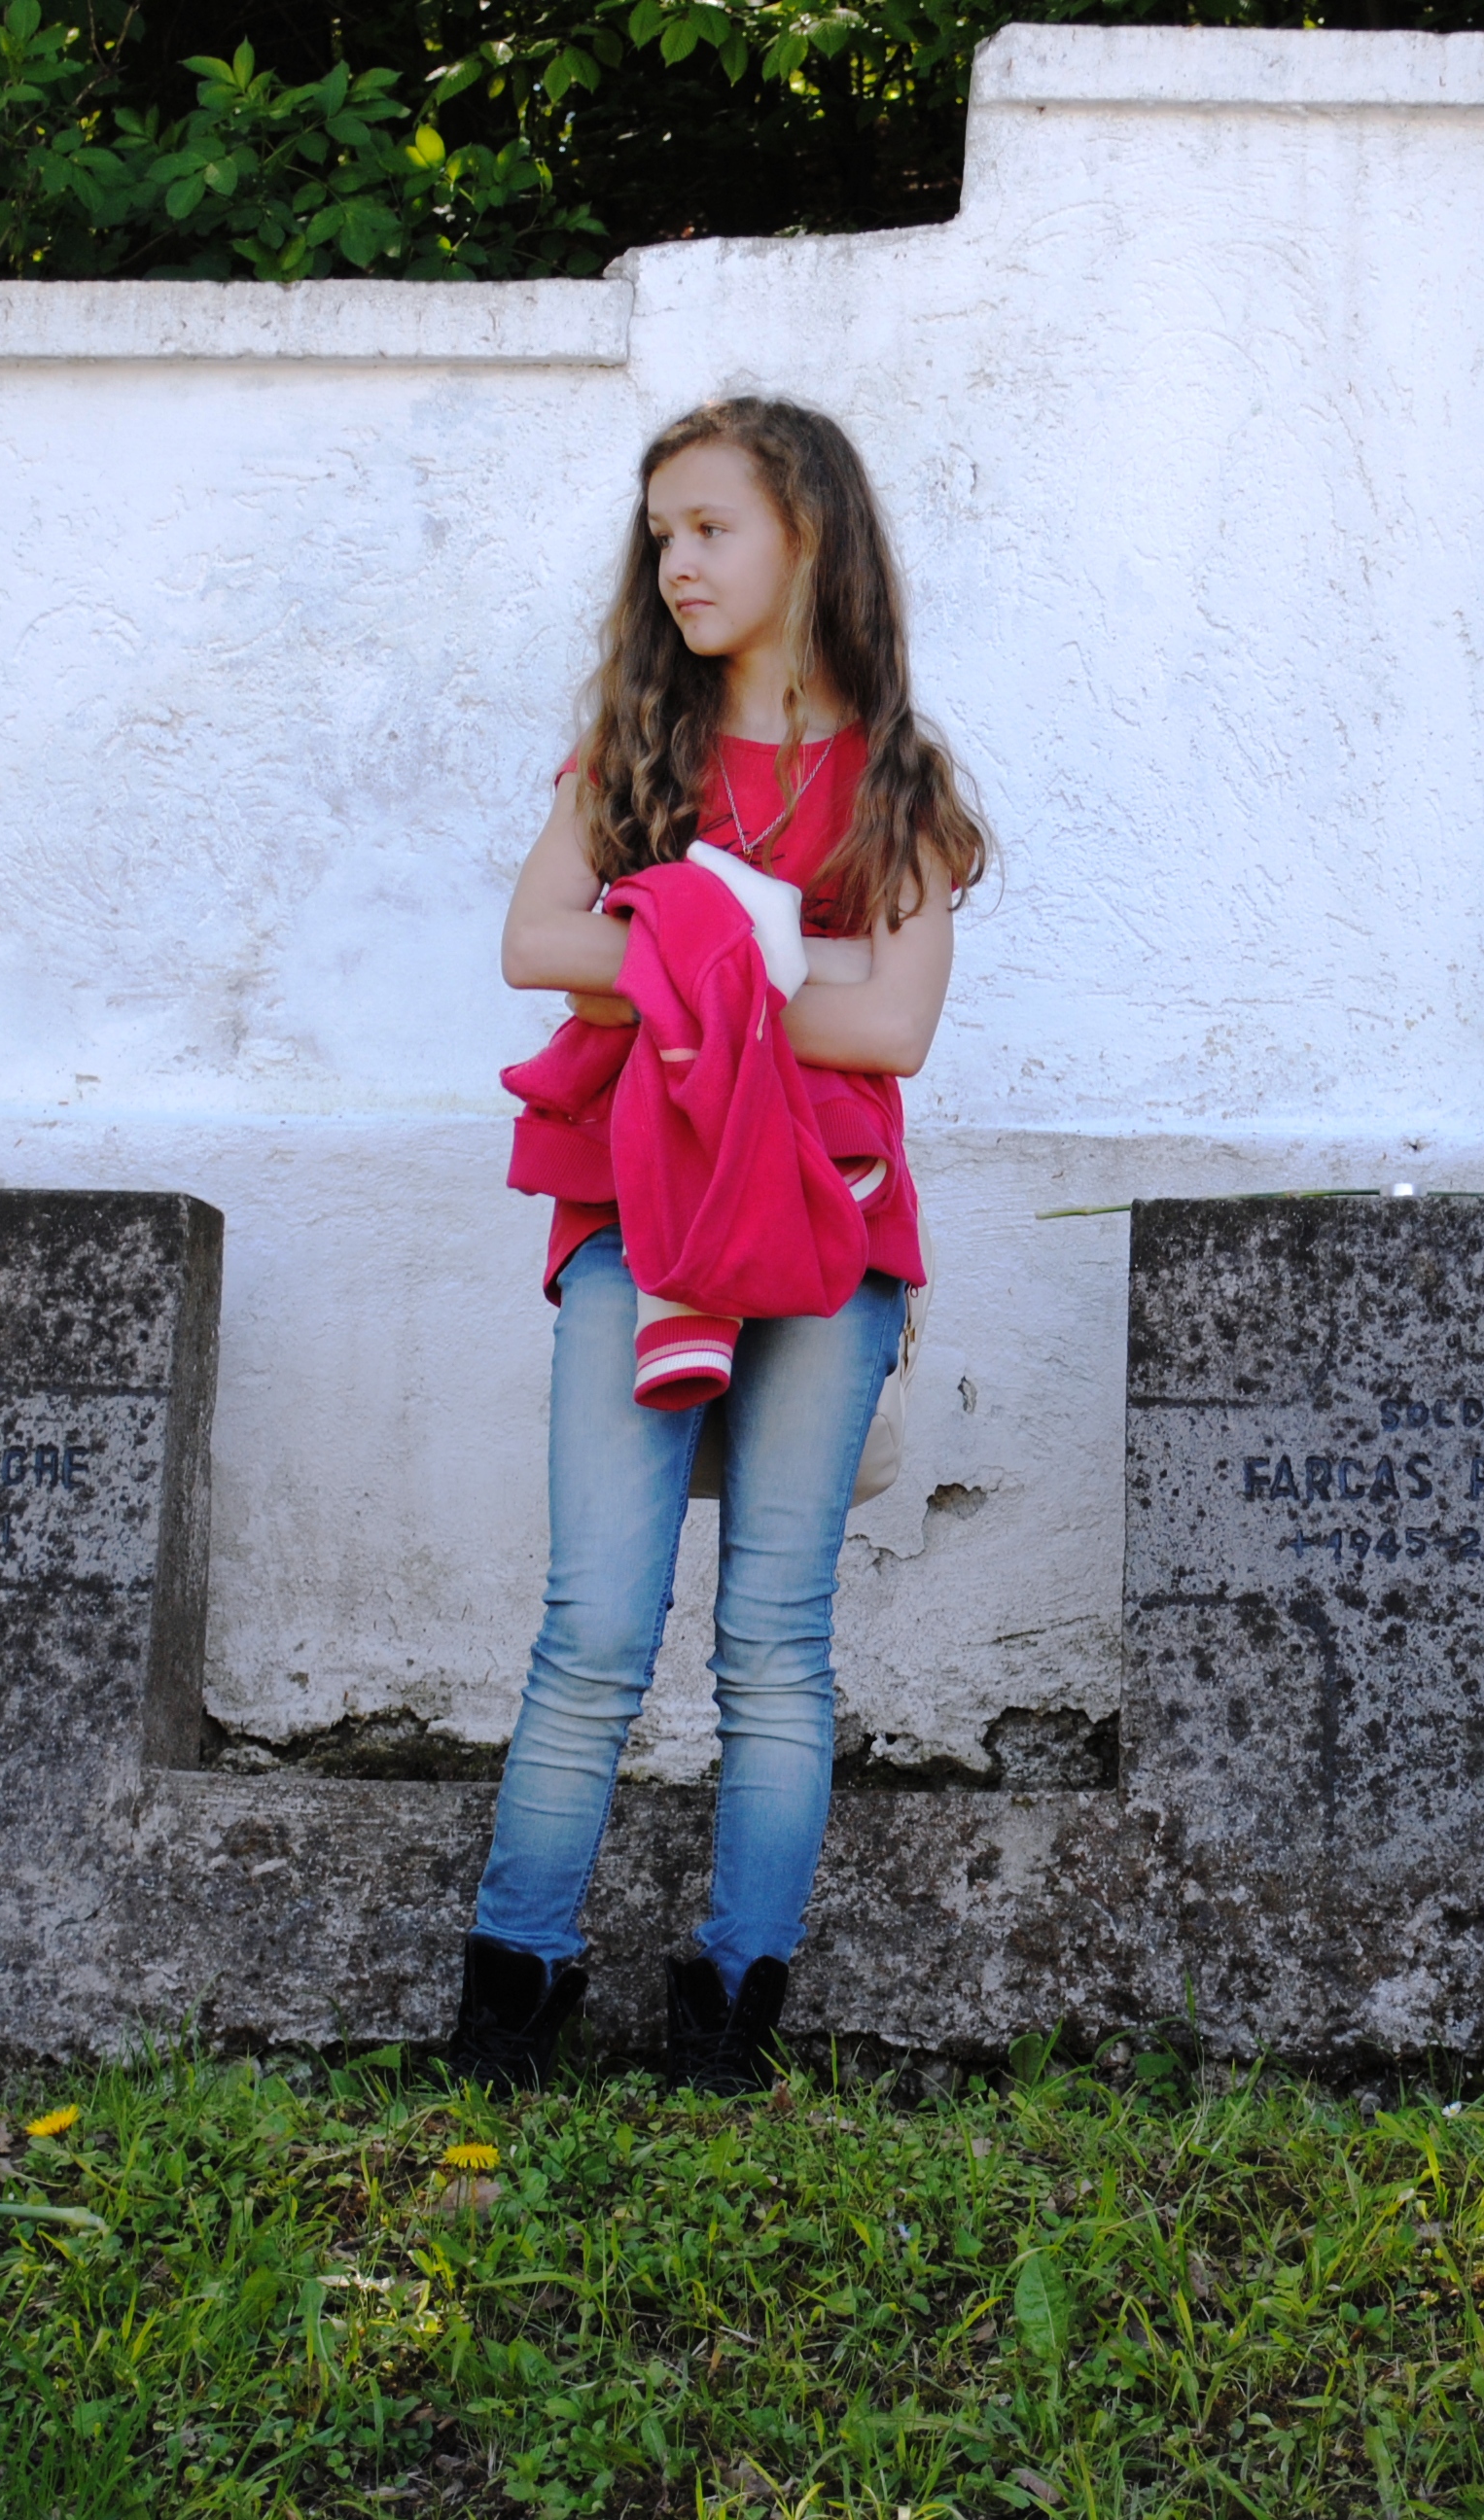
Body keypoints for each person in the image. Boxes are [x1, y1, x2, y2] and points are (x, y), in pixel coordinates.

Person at [445, 398, 990, 2097]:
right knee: (593, 1631)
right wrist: (739, 959)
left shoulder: (890, 777)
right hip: (635, 1222)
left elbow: (894, 1031)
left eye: (712, 528)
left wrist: (687, 948)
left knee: (772, 1641)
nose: (677, 562)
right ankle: (513, 2001)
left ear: (806, 540)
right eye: (661, 532)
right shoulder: (634, 758)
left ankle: (734, 2008)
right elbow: (537, 940)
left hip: (832, 1240)